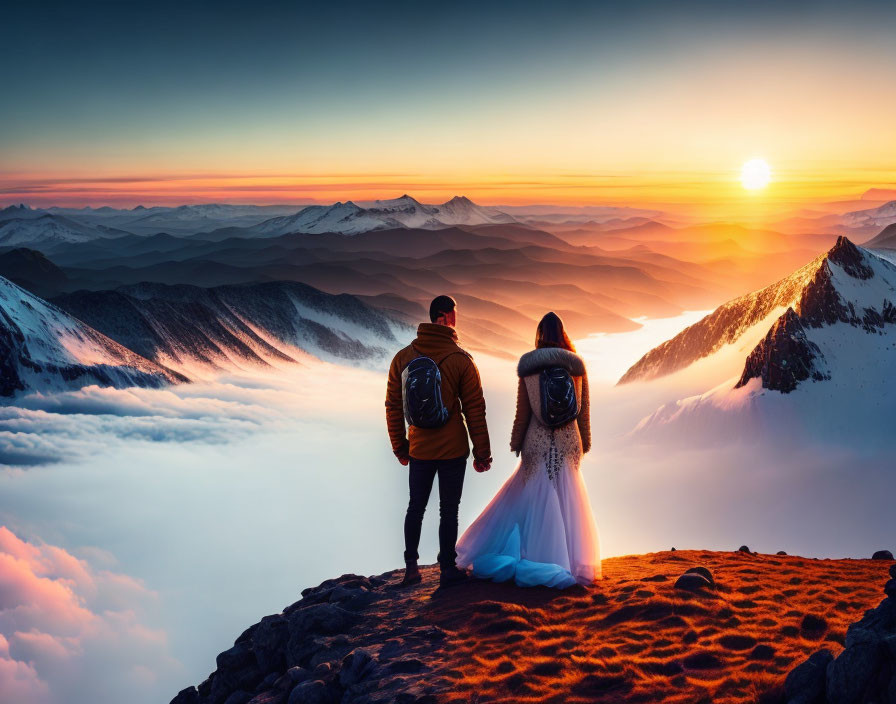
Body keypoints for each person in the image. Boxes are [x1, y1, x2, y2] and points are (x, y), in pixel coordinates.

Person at [455, 312, 601, 588]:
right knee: (567, 499)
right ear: (563, 334)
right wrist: (586, 443)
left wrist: (516, 442)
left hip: (537, 442)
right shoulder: (577, 365)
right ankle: (567, 561)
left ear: (540, 335)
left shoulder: (529, 366)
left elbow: (523, 412)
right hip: (570, 441)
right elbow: (583, 411)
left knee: (532, 500)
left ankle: (532, 557)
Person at [385, 295, 492, 587]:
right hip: (453, 449)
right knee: (449, 509)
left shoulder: (403, 358)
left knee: (415, 507)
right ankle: (447, 567)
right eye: (454, 315)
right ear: (445, 317)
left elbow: (393, 406)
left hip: (419, 448)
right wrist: (482, 453)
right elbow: (474, 410)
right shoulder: (461, 359)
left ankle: (411, 567)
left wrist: (399, 447)